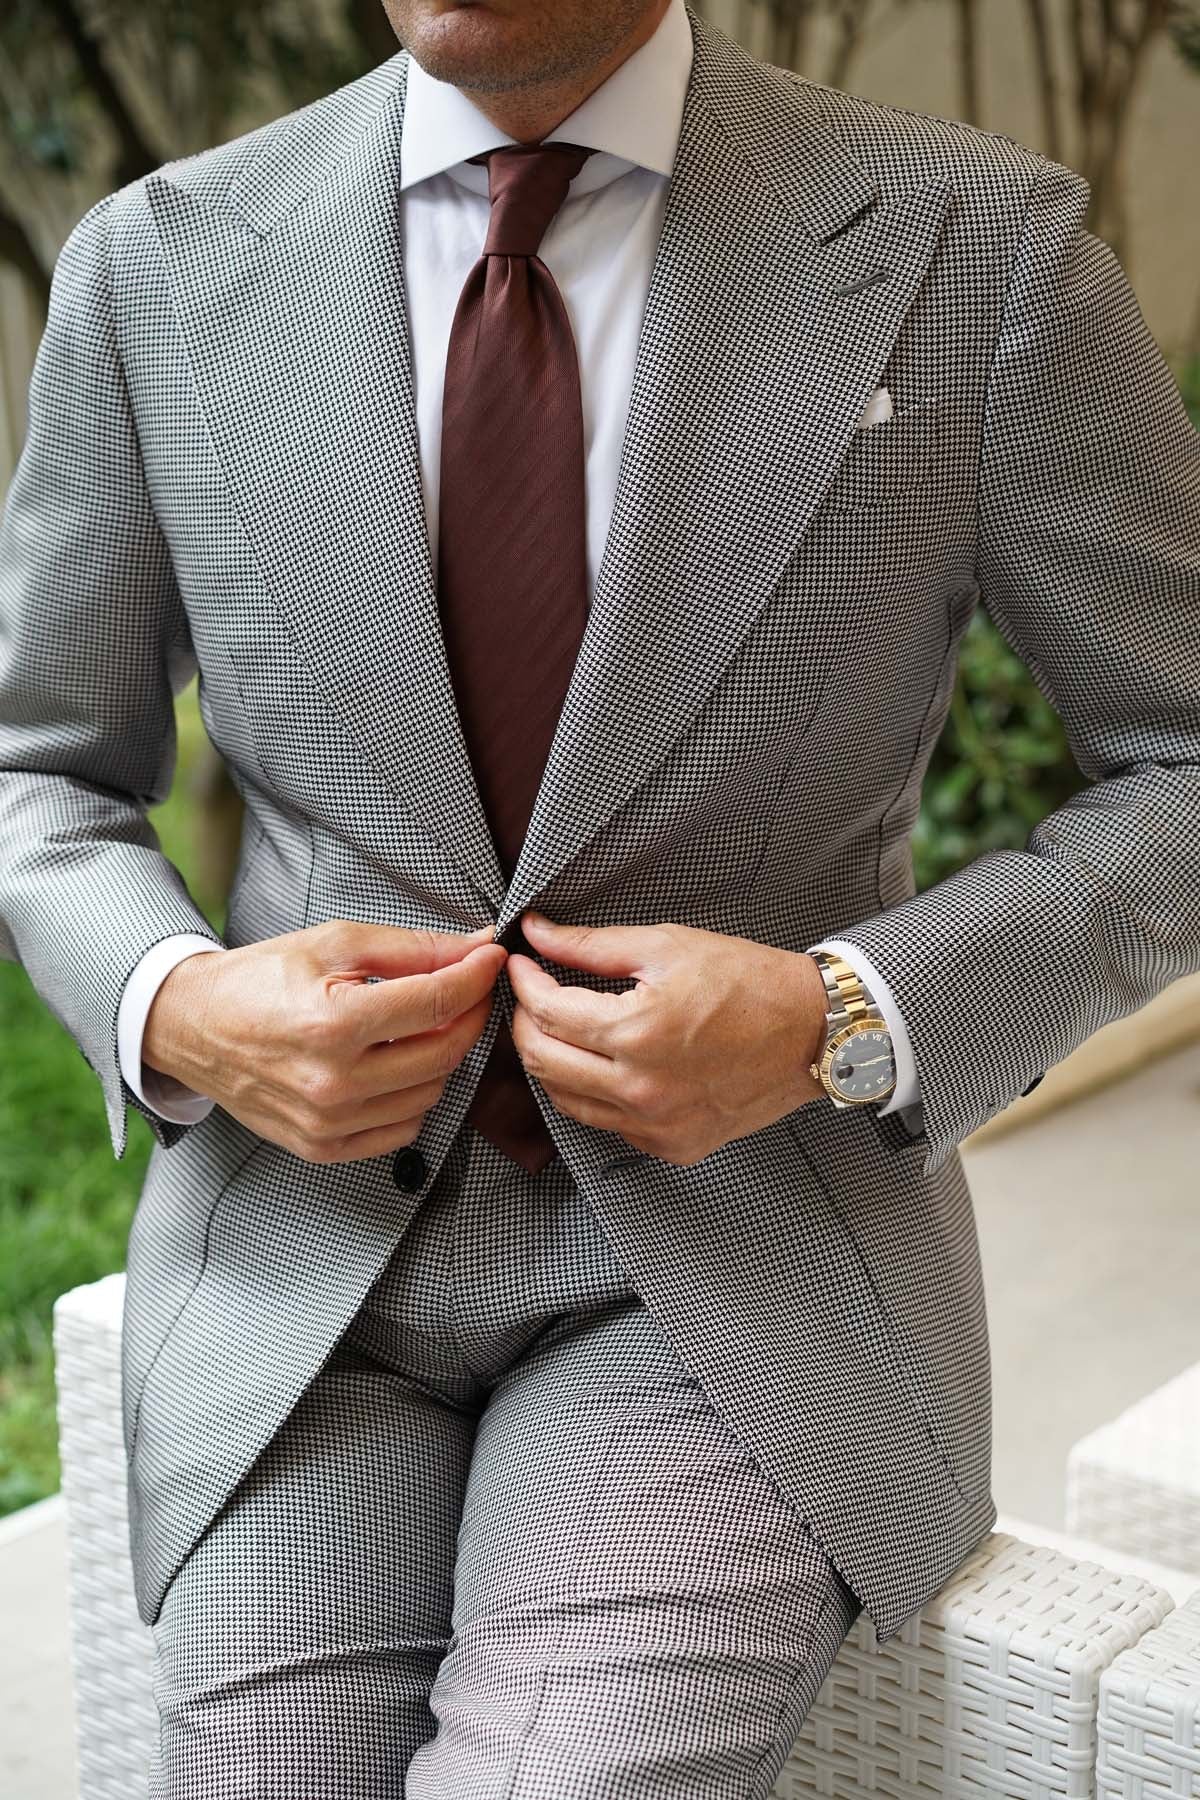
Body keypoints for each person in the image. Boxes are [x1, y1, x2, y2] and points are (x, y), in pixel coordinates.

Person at [1, 0, 1197, 1792]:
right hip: (300, 1275)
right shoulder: (161, 267)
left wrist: (844, 1017)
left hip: (733, 1272)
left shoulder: (976, 253)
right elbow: (42, 771)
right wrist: (179, 1002)